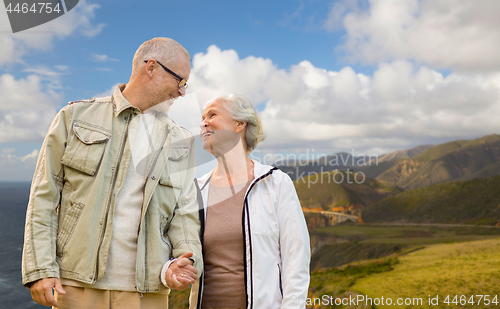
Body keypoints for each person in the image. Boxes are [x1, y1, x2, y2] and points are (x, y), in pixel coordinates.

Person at [22, 37, 202, 309]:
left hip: (149, 292)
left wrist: (186, 261)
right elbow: (44, 198)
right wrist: (40, 269)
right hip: (76, 286)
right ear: (150, 67)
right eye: (180, 81)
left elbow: (185, 214)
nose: (182, 92)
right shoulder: (74, 117)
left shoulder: (183, 141)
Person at [190, 93, 310, 308]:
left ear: (239, 124)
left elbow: (296, 258)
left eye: (212, 114)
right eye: (202, 118)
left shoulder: (274, 182)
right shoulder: (196, 190)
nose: (203, 123)